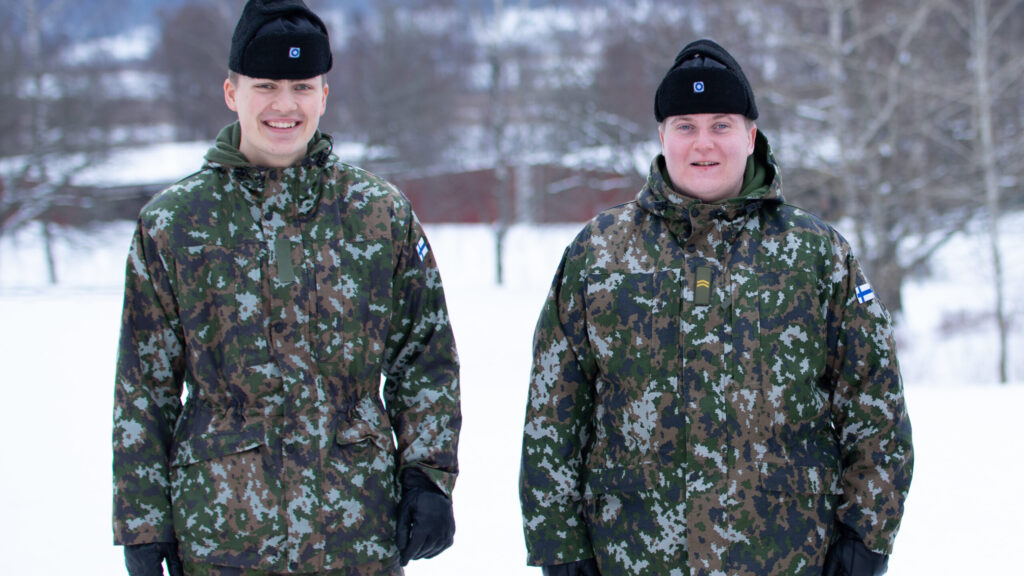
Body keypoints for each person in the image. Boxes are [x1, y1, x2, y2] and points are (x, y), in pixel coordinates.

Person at [519, 38, 913, 576]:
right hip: (633, 556)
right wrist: (557, 544)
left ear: (751, 135)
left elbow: (876, 405)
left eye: (721, 124)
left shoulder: (817, 253)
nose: (703, 143)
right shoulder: (599, 251)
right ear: (662, 136)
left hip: (786, 557)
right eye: (686, 125)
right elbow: (554, 408)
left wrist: (867, 536)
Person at [111, 1, 461, 574]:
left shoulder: (377, 214)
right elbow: (142, 387)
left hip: (355, 529)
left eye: (302, 87)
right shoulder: (174, 223)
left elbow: (425, 357)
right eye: (265, 85)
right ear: (232, 92)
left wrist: (427, 477)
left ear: (323, 96)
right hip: (223, 532)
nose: (284, 105)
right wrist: (143, 525)